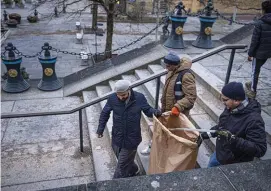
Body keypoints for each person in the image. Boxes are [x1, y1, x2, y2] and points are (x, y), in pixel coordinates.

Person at [96, 80, 161, 179]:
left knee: (121, 167)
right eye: (119, 95)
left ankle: (114, 185)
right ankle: (134, 170)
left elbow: (148, 110)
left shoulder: (139, 98)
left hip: (132, 139)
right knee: (123, 160)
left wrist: (156, 112)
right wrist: (100, 129)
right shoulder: (112, 98)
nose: (121, 97)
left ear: (129, 90)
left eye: (123, 95)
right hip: (117, 136)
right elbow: (105, 113)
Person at [141, 52, 197, 155]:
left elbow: (191, 97)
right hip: (167, 109)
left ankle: (172, 152)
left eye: (168, 66)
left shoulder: (186, 75)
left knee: (175, 132)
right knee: (161, 129)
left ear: (174, 65)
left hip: (178, 112)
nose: (166, 68)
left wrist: (178, 107)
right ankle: (154, 147)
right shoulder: (171, 71)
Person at [201, 82, 267, 167]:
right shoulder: (230, 107)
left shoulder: (254, 120)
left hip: (233, 162)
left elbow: (260, 149)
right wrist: (208, 133)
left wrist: (234, 140)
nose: (223, 102)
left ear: (236, 100)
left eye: (225, 100)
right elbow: (223, 126)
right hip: (220, 154)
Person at [245, 0, 271, 99]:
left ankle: (253, 91)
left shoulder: (260, 23)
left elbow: (255, 40)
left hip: (259, 52)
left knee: (255, 71)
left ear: (263, 10)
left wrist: (250, 53)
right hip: (268, 51)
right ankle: (251, 83)